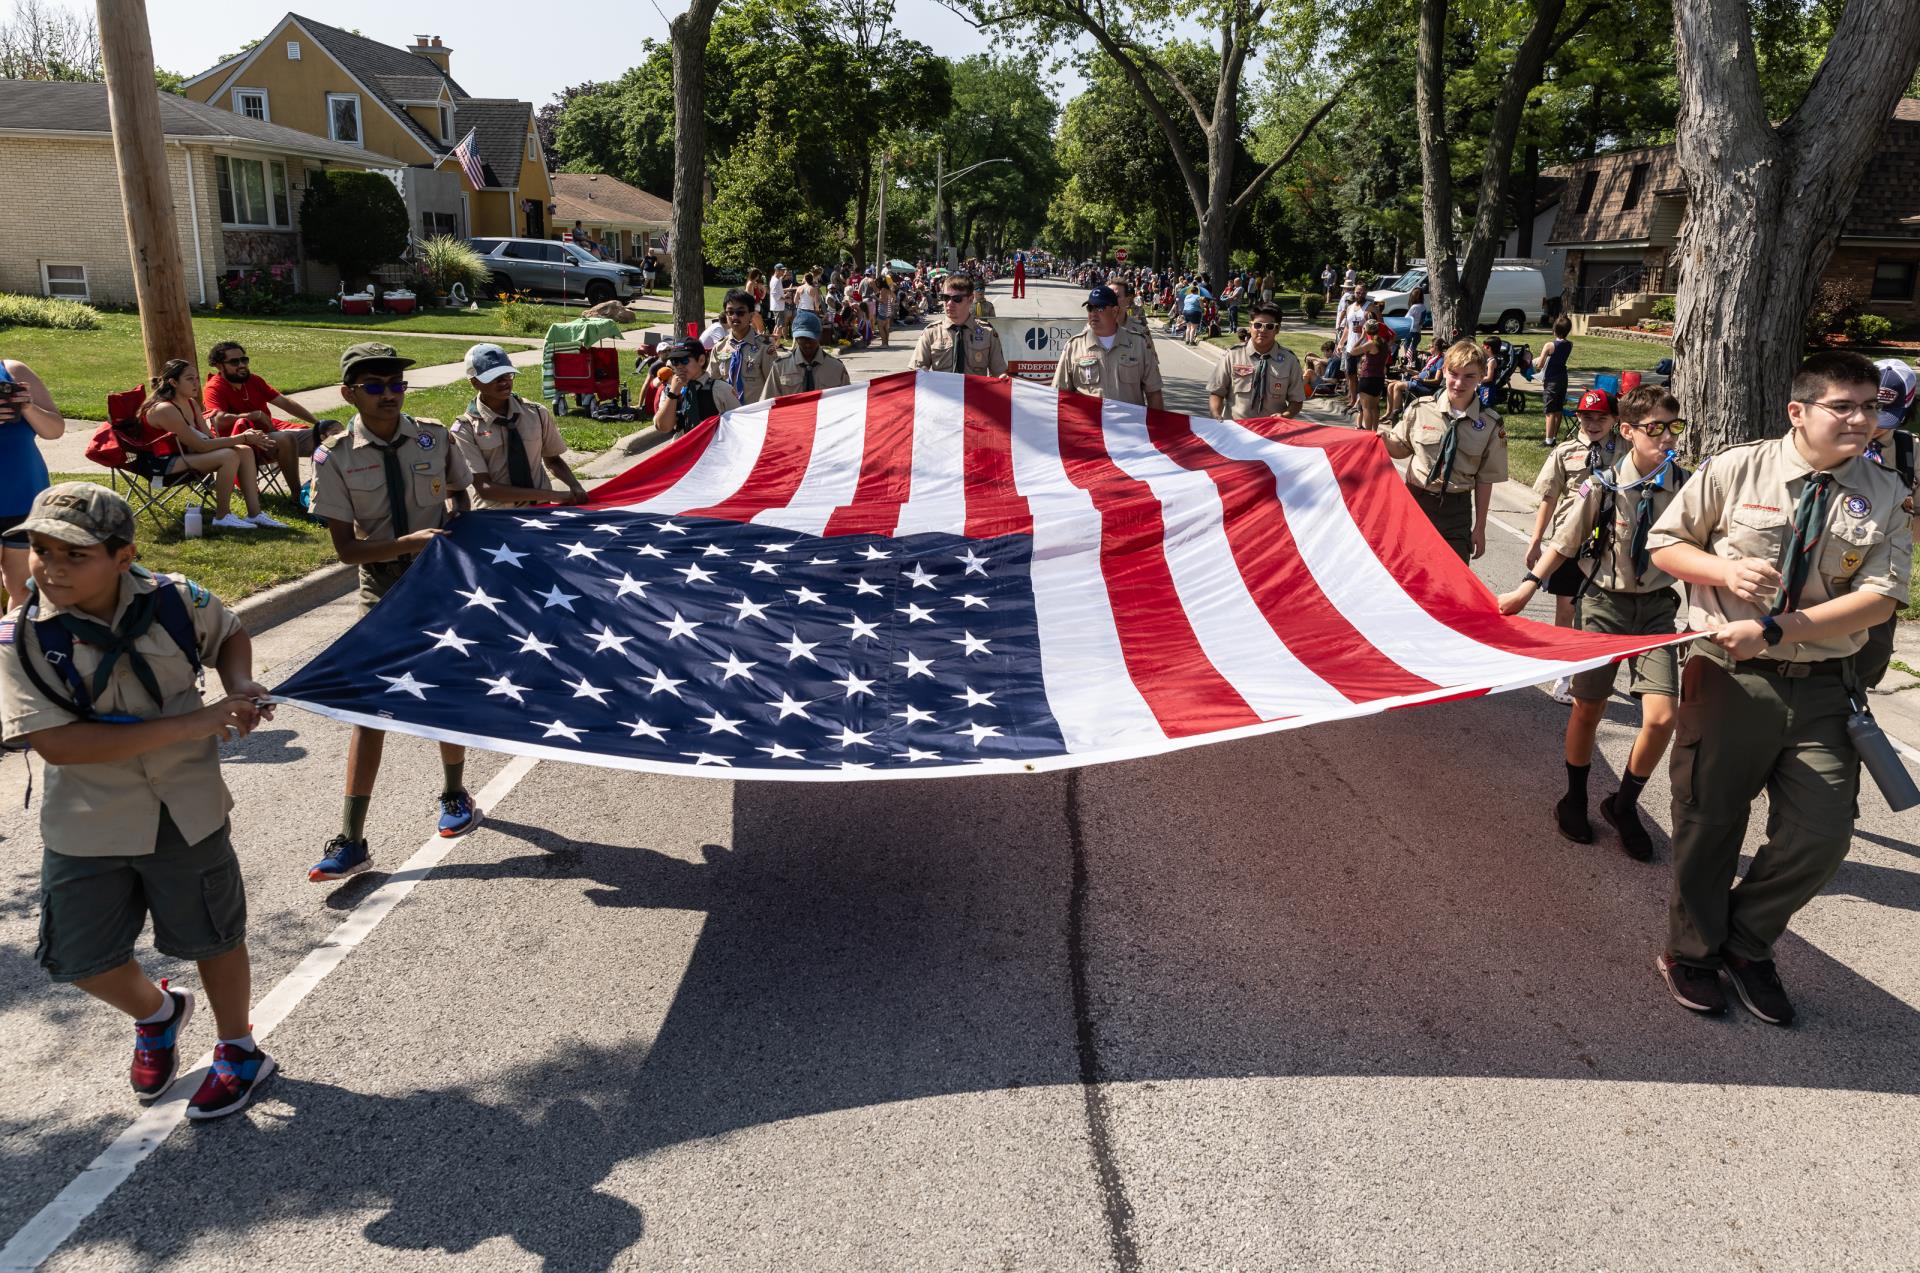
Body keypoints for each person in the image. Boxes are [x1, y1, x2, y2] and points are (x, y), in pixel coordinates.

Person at [1644, 351, 1910, 1025]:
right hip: (1729, 677)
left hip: (1824, 685)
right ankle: (1692, 951)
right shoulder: (1739, 467)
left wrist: (1778, 627)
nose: (1860, 419)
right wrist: (1724, 573)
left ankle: (1746, 941)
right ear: (1799, 411)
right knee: (1709, 822)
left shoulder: (1883, 493)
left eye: (1870, 406)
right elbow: (1665, 542)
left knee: (1821, 835)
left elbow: (1882, 597)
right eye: (1842, 406)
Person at [0, 482, 275, 1118]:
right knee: (78, 957)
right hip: (88, 821)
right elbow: (58, 745)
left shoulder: (175, 600)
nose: (52, 567)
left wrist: (240, 682)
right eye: (40, 550)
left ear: (123, 557)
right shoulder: (21, 638)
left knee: (213, 936)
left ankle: (239, 1049)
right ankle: (157, 1011)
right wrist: (201, 722)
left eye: (75, 555)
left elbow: (229, 630)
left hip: (187, 806)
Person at [307, 343, 477, 881]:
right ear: (348, 393)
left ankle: (455, 794)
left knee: (443, 693)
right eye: (375, 386)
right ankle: (351, 837)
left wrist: (452, 526)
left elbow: (460, 496)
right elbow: (347, 551)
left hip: (437, 585)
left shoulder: (432, 435)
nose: (389, 395)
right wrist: (408, 542)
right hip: (380, 589)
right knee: (367, 710)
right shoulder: (334, 457)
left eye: (397, 384)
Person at [1497, 386, 1689, 858]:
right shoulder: (1602, 484)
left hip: (1658, 609)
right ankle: (1576, 796)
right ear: (1629, 431)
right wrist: (1527, 587)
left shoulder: (1685, 486)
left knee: (1663, 717)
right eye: (1655, 429)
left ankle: (1624, 804)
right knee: (1588, 708)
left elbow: (1700, 550)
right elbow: (1565, 540)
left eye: (1673, 427)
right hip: (1603, 604)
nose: (1666, 438)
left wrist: (1700, 617)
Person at [1527, 388, 1623, 702]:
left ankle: (1596, 669)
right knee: (1567, 608)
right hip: (1569, 541)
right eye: (1586, 416)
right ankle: (1562, 673)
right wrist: (1536, 541)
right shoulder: (1565, 452)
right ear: (1578, 417)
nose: (1593, 423)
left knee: (1605, 609)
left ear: (1614, 419)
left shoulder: (1626, 450)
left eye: (1601, 417)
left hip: (1610, 541)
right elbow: (1550, 497)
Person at [1378, 339, 1504, 561]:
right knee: (1407, 574)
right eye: (1454, 373)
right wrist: (1383, 441)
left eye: (1469, 376)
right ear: (1444, 370)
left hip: (1456, 511)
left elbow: (1485, 479)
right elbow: (1400, 449)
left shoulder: (1490, 425)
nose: (1459, 383)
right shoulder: (1420, 409)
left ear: (1482, 375)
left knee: (1451, 583)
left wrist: (1480, 527)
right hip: (1415, 502)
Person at [138, 360, 285, 531]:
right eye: (189, 379)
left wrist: (243, 440)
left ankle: (255, 513)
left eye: (196, 378)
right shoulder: (164, 409)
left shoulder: (191, 403)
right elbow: (201, 446)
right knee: (228, 456)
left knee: (244, 451)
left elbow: (208, 439)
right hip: (160, 463)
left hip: (185, 455)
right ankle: (222, 516)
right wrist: (242, 437)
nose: (196, 383)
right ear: (173, 383)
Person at [451, 344, 588, 510]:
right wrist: (552, 495)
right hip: (498, 516)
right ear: (475, 382)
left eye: (507, 374)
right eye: (494, 377)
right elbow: (485, 488)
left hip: (541, 511)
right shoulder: (465, 429)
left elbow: (553, 460)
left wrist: (575, 486)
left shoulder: (536, 413)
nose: (504, 382)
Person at [1857, 358, 1919, 687]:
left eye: (1885, 416)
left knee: (1870, 662)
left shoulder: (1912, 452)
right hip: (1824, 580)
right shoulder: (1832, 442)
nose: (1873, 424)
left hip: (1879, 582)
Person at [201, 341, 330, 498]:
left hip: (269, 434)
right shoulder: (214, 387)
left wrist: (318, 423)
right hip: (244, 444)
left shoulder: (253, 380)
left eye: (244, 360)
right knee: (285, 439)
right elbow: (218, 420)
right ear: (219, 366)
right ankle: (298, 497)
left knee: (326, 438)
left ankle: (324, 492)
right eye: (235, 362)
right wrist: (252, 415)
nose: (242, 365)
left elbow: (285, 402)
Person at [0, 356, 65, 609]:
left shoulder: (12, 370)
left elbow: (55, 430)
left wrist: (27, 407)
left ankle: (12, 646)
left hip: (25, 496)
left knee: (24, 589)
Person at [1052, 285, 1166, 409]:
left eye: (1100, 308)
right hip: (1091, 426)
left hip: (1128, 426)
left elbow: (1153, 393)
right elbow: (1059, 395)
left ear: (1115, 311)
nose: (1093, 314)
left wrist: (1156, 426)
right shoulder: (1074, 346)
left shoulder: (1139, 344)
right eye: (1090, 308)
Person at [1208, 302, 1303, 420]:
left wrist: (1284, 416)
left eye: (1269, 326)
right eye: (1258, 325)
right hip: (1236, 428)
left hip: (1273, 430)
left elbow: (1297, 400)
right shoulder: (1232, 355)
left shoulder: (1290, 361)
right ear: (1250, 326)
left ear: (1277, 329)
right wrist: (1216, 415)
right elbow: (1217, 392)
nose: (1262, 330)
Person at [910, 275, 1008, 377]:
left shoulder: (988, 333)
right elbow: (915, 372)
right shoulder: (931, 333)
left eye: (957, 299)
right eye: (945, 298)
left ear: (970, 299)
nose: (949, 303)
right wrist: (920, 372)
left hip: (973, 392)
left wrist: (1002, 378)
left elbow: (999, 372)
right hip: (942, 391)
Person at [653, 338, 743, 436]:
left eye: (684, 360)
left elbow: (739, 424)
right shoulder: (670, 391)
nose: (679, 366)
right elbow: (663, 427)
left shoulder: (721, 389)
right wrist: (673, 394)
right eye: (675, 362)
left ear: (701, 360)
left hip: (714, 446)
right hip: (686, 446)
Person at [763, 311, 852, 397]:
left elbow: (847, 403)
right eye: (802, 338)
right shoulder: (780, 367)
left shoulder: (836, 368)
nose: (807, 343)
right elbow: (768, 404)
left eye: (811, 338)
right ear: (796, 337)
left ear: (819, 336)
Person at [712, 288, 774, 404]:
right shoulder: (719, 347)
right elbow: (713, 382)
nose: (734, 317)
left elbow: (772, 385)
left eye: (740, 312)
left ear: (751, 316)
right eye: (730, 312)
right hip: (727, 413)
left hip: (754, 413)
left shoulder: (764, 347)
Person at [1538, 316, 1575, 444]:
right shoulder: (1569, 344)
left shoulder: (1549, 345)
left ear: (1554, 329)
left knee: (1549, 410)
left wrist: (1537, 362)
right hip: (1562, 378)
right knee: (1558, 407)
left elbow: (1540, 364)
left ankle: (1548, 440)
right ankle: (1553, 436)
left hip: (1551, 379)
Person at [1351, 315, 1392, 430]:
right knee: (1375, 407)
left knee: (1366, 408)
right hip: (1379, 378)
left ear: (1367, 330)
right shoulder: (1383, 343)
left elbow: (1353, 351)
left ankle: (1368, 433)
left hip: (1368, 378)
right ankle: (1375, 431)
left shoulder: (1371, 343)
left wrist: (1361, 337)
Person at [768, 264, 789, 340]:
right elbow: (774, 294)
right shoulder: (775, 281)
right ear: (777, 270)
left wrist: (785, 294)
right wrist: (785, 299)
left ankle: (774, 343)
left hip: (778, 306)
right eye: (782, 270)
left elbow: (778, 292)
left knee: (777, 325)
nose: (783, 272)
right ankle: (775, 344)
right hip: (777, 307)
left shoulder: (777, 279)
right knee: (780, 326)